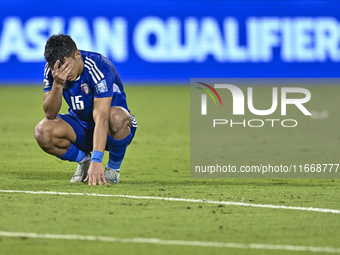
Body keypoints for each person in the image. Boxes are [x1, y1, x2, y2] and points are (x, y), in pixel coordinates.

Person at [34, 34, 137, 186]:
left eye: (67, 66)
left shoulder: (99, 67)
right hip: (81, 127)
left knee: (116, 117)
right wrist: (57, 84)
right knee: (42, 131)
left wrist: (98, 160)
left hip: (112, 128)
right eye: (57, 68)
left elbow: (102, 118)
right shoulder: (53, 70)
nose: (64, 72)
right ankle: (84, 161)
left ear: (77, 55)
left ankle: (113, 169)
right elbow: (50, 113)